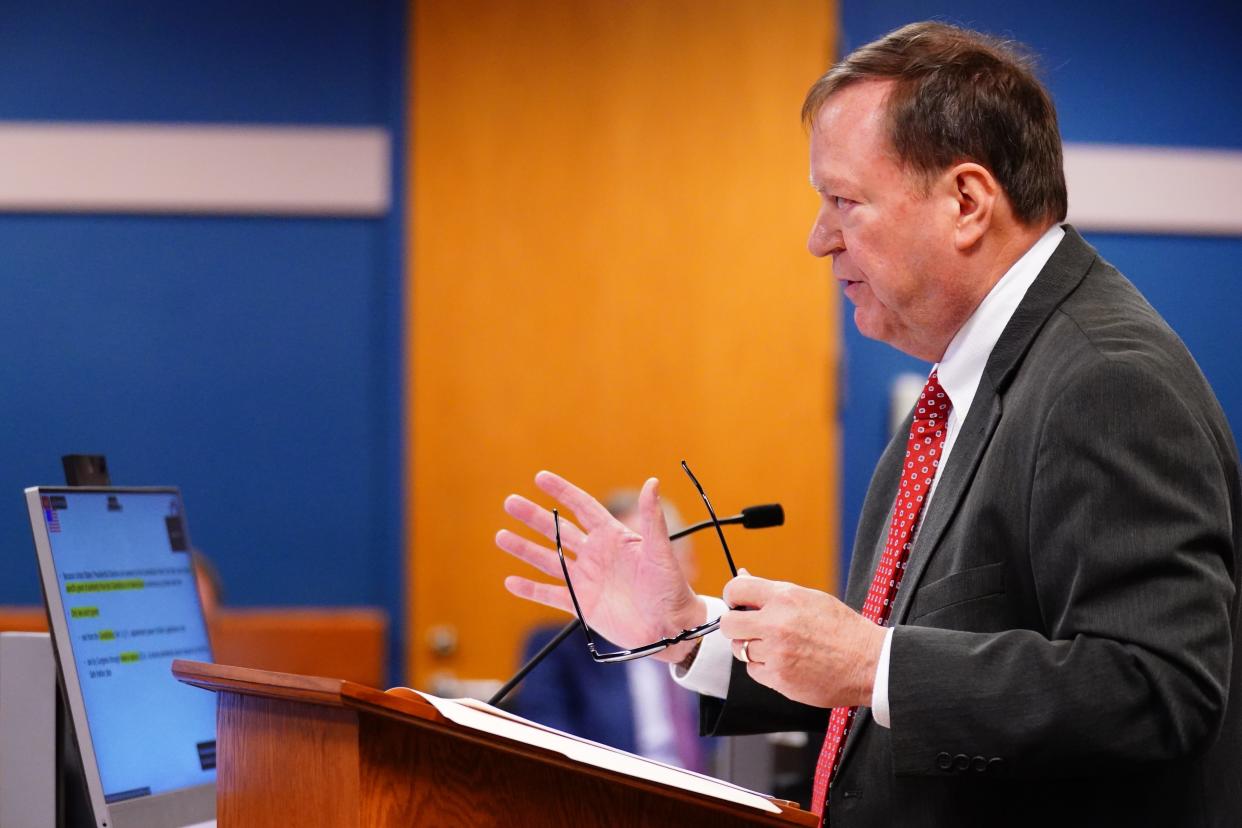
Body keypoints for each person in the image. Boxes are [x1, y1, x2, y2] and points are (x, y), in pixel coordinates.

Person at [496, 21, 1242, 826]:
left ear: (966, 202)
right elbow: (892, 698)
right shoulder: (956, 390)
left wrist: (874, 661)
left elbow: (1157, 690)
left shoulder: (1106, 378)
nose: (819, 240)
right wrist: (684, 631)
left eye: (844, 201)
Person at [512, 491, 710, 773]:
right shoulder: (559, 650)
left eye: (655, 557)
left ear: (688, 562)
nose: (643, 574)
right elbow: (548, 751)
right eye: (627, 561)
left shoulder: (721, 647)